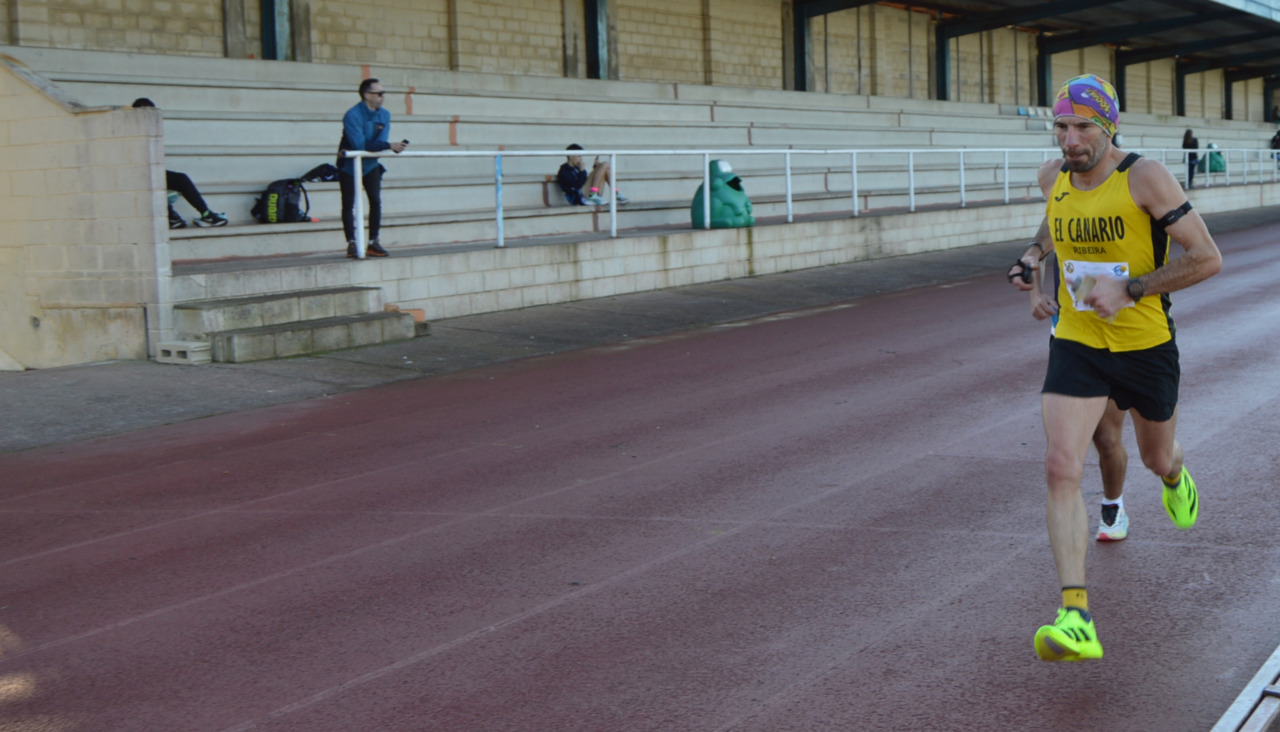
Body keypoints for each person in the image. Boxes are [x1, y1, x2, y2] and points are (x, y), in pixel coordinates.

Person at [1008, 74, 1221, 662]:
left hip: (1145, 346)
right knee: (1060, 465)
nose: (1070, 139)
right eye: (1061, 126)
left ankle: (1175, 475)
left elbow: (1206, 258)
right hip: (1077, 342)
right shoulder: (1052, 176)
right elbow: (1056, 218)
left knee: (1156, 456)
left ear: (1109, 127)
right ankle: (1075, 615)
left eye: (1083, 127)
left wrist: (1130, 289)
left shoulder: (1144, 177)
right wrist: (1033, 255)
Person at [1013, 244, 1131, 543]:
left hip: (1120, 330)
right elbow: (1039, 248)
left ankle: (1116, 502)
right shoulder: (1061, 213)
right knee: (1063, 450)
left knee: (1109, 437)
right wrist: (1036, 293)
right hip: (1070, 335)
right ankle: (1073, 532)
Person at [131, 98, 228, 229]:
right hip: (135, 177)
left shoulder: (152, 131)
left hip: (150, 172)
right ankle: (170, 217)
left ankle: (206, 214)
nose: (148, 118)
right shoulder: (128, 132)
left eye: (151, 114)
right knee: (154, 182)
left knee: (180, 179)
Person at [337, 78, 407, 258]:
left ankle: (373, 242)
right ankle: (352, 243)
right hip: (349, 166)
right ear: (367, 95)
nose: (383, 97)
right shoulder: (352, 115)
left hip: (370, 165)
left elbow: (379, 142)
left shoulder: (385, 115)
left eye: (383, 93)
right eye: (379, 93)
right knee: (348, 203)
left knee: (375, 201)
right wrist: (387, 145)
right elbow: (359, 144)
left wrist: (385, 145)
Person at [556, 144, 628, 206]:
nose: (581, 159)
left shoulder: (577, 168)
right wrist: (582, 171)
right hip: (579, 198)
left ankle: (616, 193)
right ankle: (594, 194)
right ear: (570, 156)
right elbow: (577, 186)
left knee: (605, 168)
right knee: (604, 165)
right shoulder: (564, 170)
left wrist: (596, 169)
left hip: (587, 194)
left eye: (581, 156)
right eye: (579, 156)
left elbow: (585, 180)